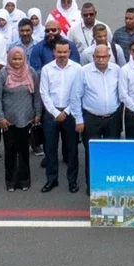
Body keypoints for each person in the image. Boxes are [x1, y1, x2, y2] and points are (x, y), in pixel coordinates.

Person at [0, 46, 40, 192]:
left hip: (27, 119)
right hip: (8, 120)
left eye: (20, 58)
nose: (17, 62)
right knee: (10, 151)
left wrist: (38, 114)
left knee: (24, 151)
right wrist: (0, 117)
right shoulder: (3, 73)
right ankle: (11, 181)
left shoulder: (30, 72)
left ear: (24, 58)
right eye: (14, 58)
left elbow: (37, 96)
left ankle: (24, 180)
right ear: (9, 58)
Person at [39, 40, 84, 192]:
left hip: (71, 113)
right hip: (51, 114)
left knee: (72, 150)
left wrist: (66, 112)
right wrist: (56, 112)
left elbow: (79, 93)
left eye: (65, 52)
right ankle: (52, 179)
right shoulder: (47, 69)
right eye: (59, 52)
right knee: (50, 149)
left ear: (69, 52)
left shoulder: (78, 69)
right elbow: (44, 93)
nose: (62, 55)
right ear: (54, 52)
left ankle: (72, 181)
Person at [79, 43, 123, 174]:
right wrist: (78, 119)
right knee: (92, 152)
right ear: (93, 57)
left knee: (112, 151)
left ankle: (110, 181)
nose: (101, 60)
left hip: (112, 118)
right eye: (98, 57)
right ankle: (92, 184)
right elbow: (76, 96)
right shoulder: (84, 71)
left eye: (104, 57)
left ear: (109, 57)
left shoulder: (116, 70)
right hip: (91, 118)